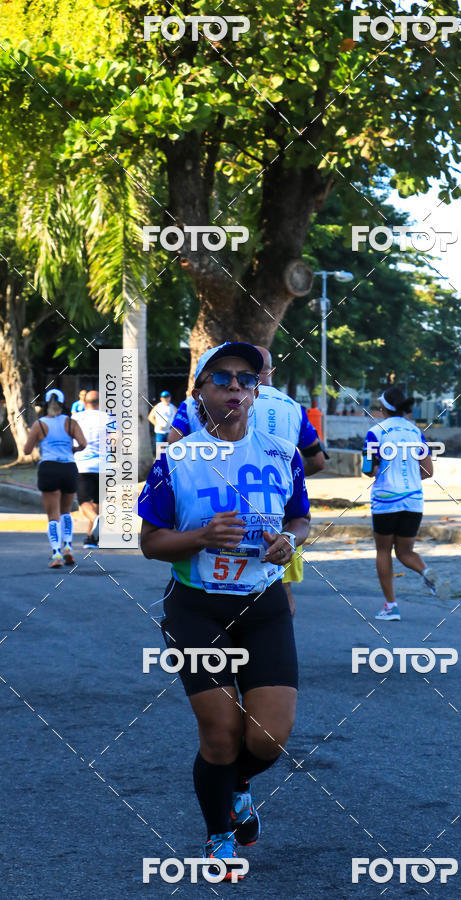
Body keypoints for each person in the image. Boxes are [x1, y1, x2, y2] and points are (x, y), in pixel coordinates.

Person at [138, 341, 311, 874]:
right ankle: (219, 837)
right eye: (221, 378)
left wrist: (292, 540)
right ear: (199, 395)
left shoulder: (284, 453)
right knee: (220, 733)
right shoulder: (176, 460)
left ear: (257, 391)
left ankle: (236, 787)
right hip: (197, 609)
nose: (235, 386)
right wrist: (200, 536)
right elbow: (150, 542)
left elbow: (301, 518)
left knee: (269, 737)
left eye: (245, 379)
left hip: (263, 604)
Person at [251, 346, 326, 615]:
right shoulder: (294, 408)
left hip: (235, 511)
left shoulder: (229, 403)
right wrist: (287, 480)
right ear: (271, 371)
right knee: (282, 588)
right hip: (284, 514)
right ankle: (280, 651)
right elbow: (318, 461)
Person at [362, 386, 447, 620]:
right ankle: (426, 571)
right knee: (405, 551)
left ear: (383, 408)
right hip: (413, 500)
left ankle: (391, 606)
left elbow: (369, 469)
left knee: (383, 551)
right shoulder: (416, 432)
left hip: (386, 499)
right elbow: (428, 471)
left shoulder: (375, 432)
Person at [23, 389, 87, 568]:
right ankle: (68, 547)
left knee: (53, 515)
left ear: (45, 403)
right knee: (66, 511)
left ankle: (56, 553)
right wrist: (72, 450)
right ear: (63, 403)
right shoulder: (70, 423)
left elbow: (27, 450)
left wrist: (42, 443)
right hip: (68, 467)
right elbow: (83, 444)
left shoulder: (40, 424)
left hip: (48, 468)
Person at [72, 390, 115, 549]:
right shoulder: (109, 418)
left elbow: (70, 439)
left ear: (84, 403)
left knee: (83, 502)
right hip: (104, 466)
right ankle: (91, 538)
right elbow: (116, 439)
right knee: (97, 501)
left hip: (82, 465)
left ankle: (96, 520)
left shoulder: (76, 418)